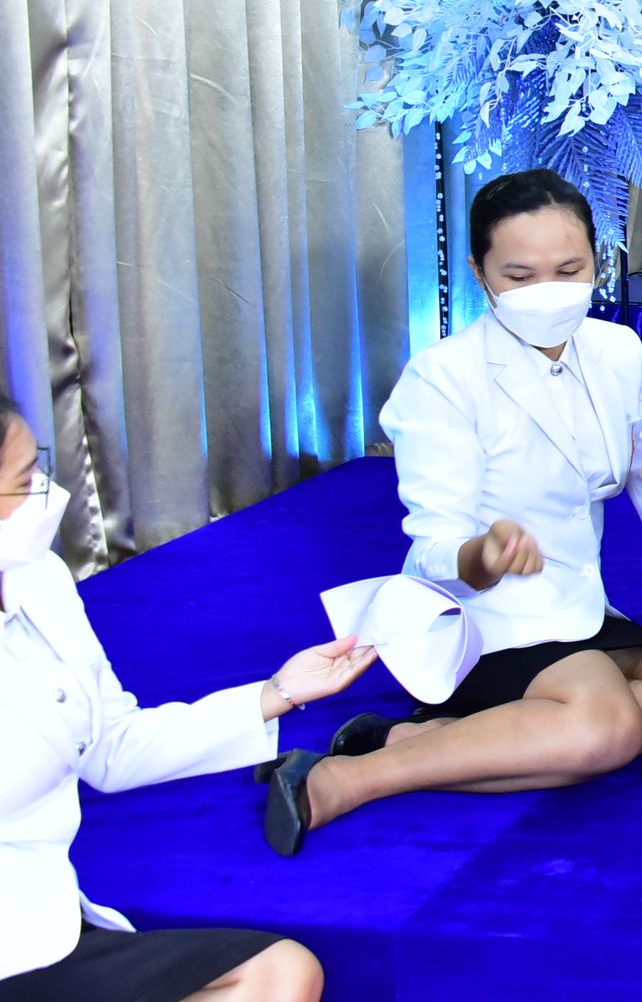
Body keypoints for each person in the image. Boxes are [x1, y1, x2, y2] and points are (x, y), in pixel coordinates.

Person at [258, 171, 642, 855]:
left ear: (598, 259)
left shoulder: (616, 351)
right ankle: (349, 777)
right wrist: (482, 557)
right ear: (479, 272)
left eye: (569, 270)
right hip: (480, 618)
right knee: (604, 725)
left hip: (580, 608)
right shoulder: (443, 377)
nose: (548, 290)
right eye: (520, 276)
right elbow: (435, 545)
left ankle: (420, 737)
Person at [0, 390, 370, 1000]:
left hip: (43, 924)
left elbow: (112, 745)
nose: (47, 492)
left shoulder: (39, 578)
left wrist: (278, 692)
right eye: (23, 483)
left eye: (36, 468)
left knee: (282, 972)